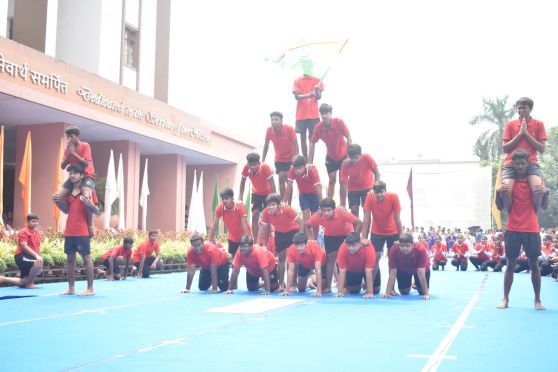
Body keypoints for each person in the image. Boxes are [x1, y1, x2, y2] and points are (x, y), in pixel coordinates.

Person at [496, 149, 544, 310]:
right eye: (517, 164)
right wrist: (497, 194)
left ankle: (537, 300)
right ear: (513, 165)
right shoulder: (508, 184)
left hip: (531, 228)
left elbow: (543, 206)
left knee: (534, 264)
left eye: (523, 163)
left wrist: (546, 193)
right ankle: (505, 299)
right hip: (513, 227)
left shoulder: (536, 183)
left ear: (528, 164)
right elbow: (500, 207)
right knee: (510, 265)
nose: (520, 166)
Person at [52, 164, 98, 296]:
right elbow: (67, 210)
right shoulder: (68, 193)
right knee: (70, 260)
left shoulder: (89, 192)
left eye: (75, 173)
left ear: (82, 176)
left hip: (82, 231)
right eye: (70, 173)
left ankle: (90, 288)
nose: (72, 175)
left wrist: (89, 204)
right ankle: (71, 288)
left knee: (87, 259)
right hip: (69, 231)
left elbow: (96, 211)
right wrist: (58, 202)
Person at [501, 97, 548, 213]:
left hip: (531, 162)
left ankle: (534, 213)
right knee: (506, 189)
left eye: (524, 108)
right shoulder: (510, 124)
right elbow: (505, 148)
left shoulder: (539, 124)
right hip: (511, 162)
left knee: (537, 189)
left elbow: (542, 148)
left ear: (530, 109)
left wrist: (527, 134)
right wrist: (519, 134)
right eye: (519, 108)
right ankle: (510, 213)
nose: (521, 111)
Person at [306, 198, 363, 293]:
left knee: (348, 259)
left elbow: (359, 222)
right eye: (324, 210)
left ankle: (355, 283)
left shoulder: (341, 212)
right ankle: (328, 287)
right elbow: (307, 225)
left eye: (328, 210)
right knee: (330, 260)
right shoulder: (318, 215)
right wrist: (311, 240)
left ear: (334, 209)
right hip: (330, 236)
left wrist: (354, 238)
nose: (326, 213)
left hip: (346, 235)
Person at [361, 181, 403, 294]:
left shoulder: (393, 197)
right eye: (376, 193)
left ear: (385, 191)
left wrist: (401, 238)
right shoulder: (369, 197)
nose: (379, 195)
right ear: (373, 192)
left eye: (381, 192)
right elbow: (366, 219)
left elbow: (398, 219)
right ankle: (369, 287)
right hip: (377, 232)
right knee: (374, 259)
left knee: (392, 259)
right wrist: (363, 237)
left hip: (393, 231)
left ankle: (391, 288)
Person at [58, 126, 97, 237]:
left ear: (77, 136)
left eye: (71, 136)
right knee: (58, 197)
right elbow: (62, 166)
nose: (69, 139)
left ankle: (89, 223)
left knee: (85, 197)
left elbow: (86, 163)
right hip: (74, 177)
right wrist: (69, 153)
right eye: (68, 137)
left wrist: (73, 153)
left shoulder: (85, 146)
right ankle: (69, 211)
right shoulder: (67, 150)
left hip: (87, 175)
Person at [258, 194, 303, 288]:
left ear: (278, 205)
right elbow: (265, 228)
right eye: (269, 205)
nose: (271, 207)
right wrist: (264, 244)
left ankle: (293, 284)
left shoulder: (286, 209)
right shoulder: (266, 212)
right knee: (281, 258)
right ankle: (281, 284)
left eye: (273, 204)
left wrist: (300, 237)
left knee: (292, 259)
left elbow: (301, 222)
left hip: (293, 231)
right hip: (279, 233)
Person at [308, 103, 351, 199]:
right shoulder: (318, 127)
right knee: (332, 179)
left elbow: (349, 138)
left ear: (331, 113)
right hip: (331, 157)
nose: (324, 116)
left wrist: (349, 157)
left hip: (343, 155)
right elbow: (312, 143)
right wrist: (309, 162)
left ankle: (342, 205)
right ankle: (329, 204)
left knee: (343, 180)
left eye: (326, 113)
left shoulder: (339, 122)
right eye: (322, 113)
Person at [262, 111, 299, 201]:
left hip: (291, 158)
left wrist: (296, 159)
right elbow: (266, 145)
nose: (273, 121)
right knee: (281, 177)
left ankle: (288, 204)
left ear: (281, 121)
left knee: (288, 179)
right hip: (279, 158)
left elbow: (296, 144)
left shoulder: (289, 129)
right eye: (272, 120)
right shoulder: (269, 130)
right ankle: (282, 201)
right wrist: (262, 160)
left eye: (276, 119)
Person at [382, 233, 431, 300]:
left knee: (422, 292)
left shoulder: (421, 249)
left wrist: (426, 294)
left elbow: (421, 273)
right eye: (402, 246)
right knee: (404, 292)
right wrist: (387, 293)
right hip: (404, 269)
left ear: (412, 245)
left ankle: (416, 281)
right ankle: (411, 282)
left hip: (420, 270)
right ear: (399, 245)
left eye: (407, 246)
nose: (404, 248)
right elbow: (392, 274)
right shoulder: (393, 250)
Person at [239, 152, 276, 240]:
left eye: (254, 164)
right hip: (256, 194)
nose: (252, 167)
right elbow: (242, 183)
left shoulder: (265, 168)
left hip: (268, 194)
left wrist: (275, 199)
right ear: (248, 164)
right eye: (250, 164)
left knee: (268, 217)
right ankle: (256, 241)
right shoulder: (246, 168)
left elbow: (273, 184)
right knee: (254, 215)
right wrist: (240, 198)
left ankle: (271, 238)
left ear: (259, 163)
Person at [0, 214, 43, 288]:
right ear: (28, 222)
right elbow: (24, 246)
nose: (35, 223)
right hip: (21, 256)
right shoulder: (24, 232)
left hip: (29, 257)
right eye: (33, 221)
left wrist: (38, 255)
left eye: (36, 221)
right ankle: (30, 283)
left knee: (23, 281)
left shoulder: (36, 233)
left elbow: (37, 247)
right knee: (38, 264)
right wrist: (36, 256)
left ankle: (3, 279)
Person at [339, 144, 380, 216]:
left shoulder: (367, 157)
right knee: (354, 210)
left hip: (368, 188)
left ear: (361, 155)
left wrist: (375, 189)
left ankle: (365, 227)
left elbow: (377, 173)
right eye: (351, 158)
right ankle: (357, 227)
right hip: (353, 189)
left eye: (356, 158)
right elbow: (343, 184)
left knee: (366, 210)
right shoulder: (345, 164)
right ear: (348, 156)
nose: (354, 160)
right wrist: (343, 204)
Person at [208, 188, 251, 257]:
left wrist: (247, 242)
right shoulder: (219, 208)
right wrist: (209, 241)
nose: (224, 201)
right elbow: (214, 225)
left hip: (244, 237)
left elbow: (244, 225)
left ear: (232, 199)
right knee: (234, 262)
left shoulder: (240, 206)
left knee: (247, 260)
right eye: (223, 199)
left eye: (227, 198)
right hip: (232, 239)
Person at [284, 155, 322, 229]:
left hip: (315, 194)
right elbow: (289, 185)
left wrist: (322, 205)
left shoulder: (312, 170)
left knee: (314, 217)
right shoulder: (292, 169)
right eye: (296, 169)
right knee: (306, 214)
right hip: (303, 195)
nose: (297, 170)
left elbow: (318, 188)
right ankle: (308, 239)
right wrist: (285, 202)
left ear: (305, 166)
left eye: (300, 168)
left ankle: (315, 239)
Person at [293, 72, 324, 159]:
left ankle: (310, 160)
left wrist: (317, 91)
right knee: (302, 137)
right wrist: (309, 95)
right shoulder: (297, 80)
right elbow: (296, 97)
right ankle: (305, 159)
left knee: (312, 138)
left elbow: (319, 97)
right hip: (301, 114)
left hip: (313, 114)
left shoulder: (317, 79)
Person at [335, 232, 376, 298]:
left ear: (360, 243)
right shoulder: (343, 248)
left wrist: (370, 292)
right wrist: (339, 292)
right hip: (353, 270)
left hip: (367, 270)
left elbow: (368, 272)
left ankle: (366, 285)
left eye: (354, 245)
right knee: (354, 291)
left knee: (376, 290)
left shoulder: (368, 247)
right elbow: (342, 272)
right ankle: (361, 284)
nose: (351, 248)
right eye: (349, 246)